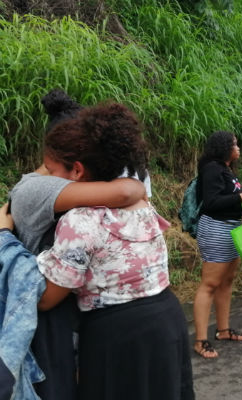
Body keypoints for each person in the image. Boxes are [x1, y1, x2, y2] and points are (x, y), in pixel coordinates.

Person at [4, 102, 194, 399]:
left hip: (118, 335)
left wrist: (11, 248)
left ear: (77, 170)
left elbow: (46, 299)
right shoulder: (141, 204)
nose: (49, 180)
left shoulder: (79, 220)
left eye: (52, 172)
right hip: (167, 321)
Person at [10, 90, 147, 400]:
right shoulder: (38, 188)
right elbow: (128, 191)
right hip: (46, 319)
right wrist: (139, 188)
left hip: (76, 313)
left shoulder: (70, 183)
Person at [193, 131, 242, 359]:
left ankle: (223, 329)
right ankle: (200, 340)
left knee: (226, 282)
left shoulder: (226, 170)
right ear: (224, 147)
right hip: (216, 229)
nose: (238, 147)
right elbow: (212, 201)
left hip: (232, 228)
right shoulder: (212, 169)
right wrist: (240, 198)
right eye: (235, 144)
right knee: (209, 284)